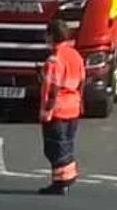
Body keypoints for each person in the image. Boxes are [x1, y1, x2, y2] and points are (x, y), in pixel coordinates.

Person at [37, 18, 85, 195]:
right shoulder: (75, 55)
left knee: (54, 146)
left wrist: (47, 111)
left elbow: (53, 87)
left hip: (58, 110)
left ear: (51, 35)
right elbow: (81, 80)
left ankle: (63, 181)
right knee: (66, 144)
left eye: (46, 33)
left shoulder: (54, 59)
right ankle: (61, 180)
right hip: (73, 107)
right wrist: (81, 103)